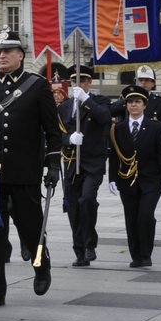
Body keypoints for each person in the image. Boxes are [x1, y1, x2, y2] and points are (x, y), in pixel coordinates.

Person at [0, 30, 63, 308]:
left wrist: (52, 164)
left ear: (20, 55)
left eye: (8, 51)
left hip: (25, 171)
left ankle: (41, 264)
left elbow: (52, 130)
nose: (1, 56)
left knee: (30, 227)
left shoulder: (36, 86)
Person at [109, 84, 161, 268]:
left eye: (137, 102)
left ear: (145, 105)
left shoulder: (156, 127)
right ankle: (136, 255)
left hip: (151, 180)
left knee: (145, 216)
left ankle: (146, 253)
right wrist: (112, 178)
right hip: (127, 179)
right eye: (130, 102)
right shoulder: (118, 128)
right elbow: (114, 155)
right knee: (131, 218)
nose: (133, 105)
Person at [58, 65, 112, 268]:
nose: (77, 85)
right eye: (74, 81)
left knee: (87, 199)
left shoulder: (98, 101)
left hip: (92, 161)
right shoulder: (64, 106)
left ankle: (90, 243)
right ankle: (79, 250)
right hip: (72, 161)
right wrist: (68, 139)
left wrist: (86, 100)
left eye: (82, 81)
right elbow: (55, 133)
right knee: (73, 207)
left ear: (89, 83)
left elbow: (105, 117)